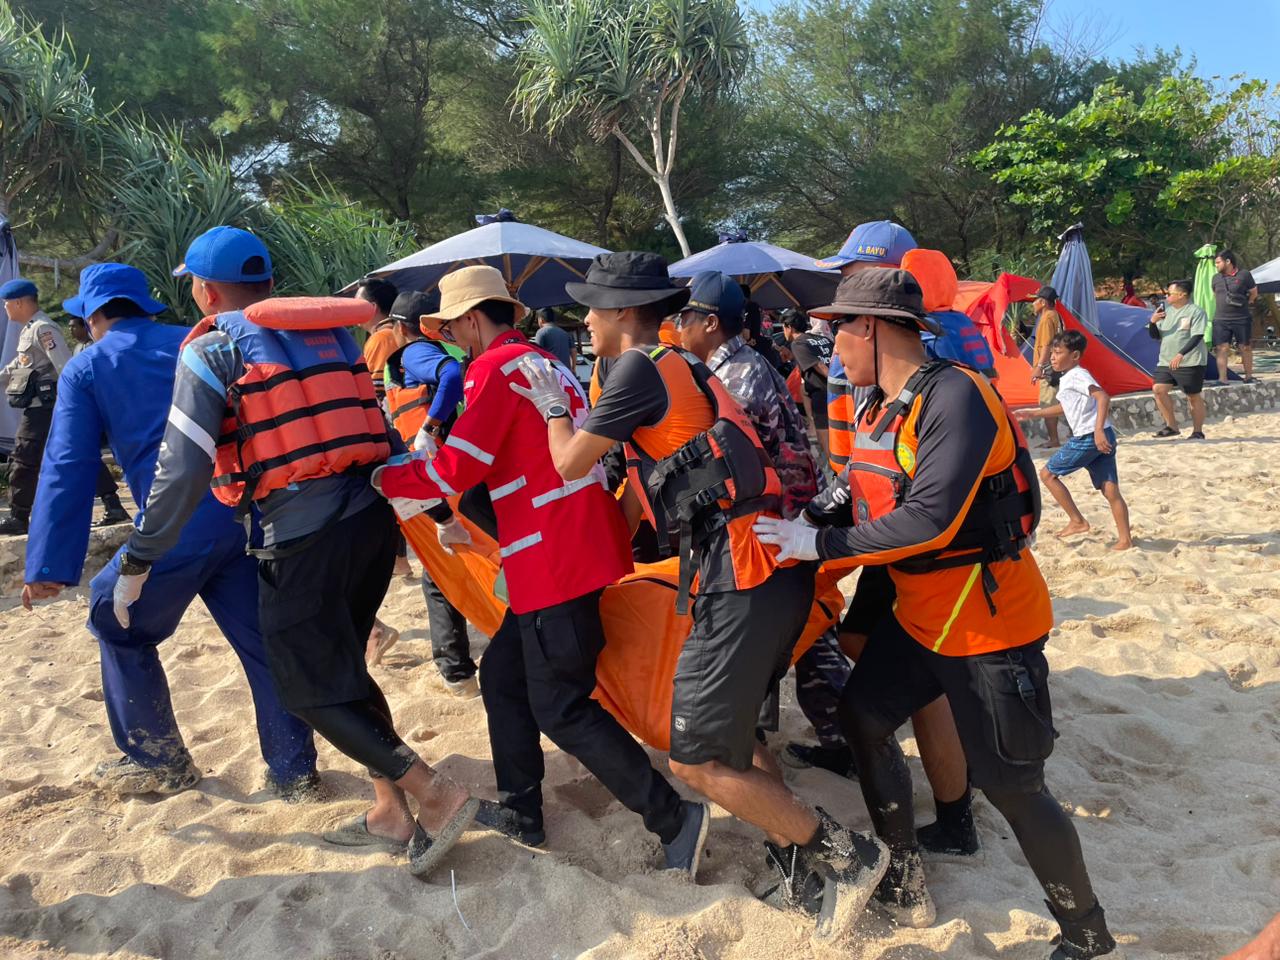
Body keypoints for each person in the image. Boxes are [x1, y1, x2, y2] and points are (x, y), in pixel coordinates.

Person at [517, 251, 888, 941]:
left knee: (696, 759)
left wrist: (549, 409)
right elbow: (638, 492)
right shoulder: (678, 368)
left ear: (626, 312)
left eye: (593, 307)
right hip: (767, 570)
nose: (585, 320)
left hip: (740, 574)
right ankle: (794, 855)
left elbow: (568, 463)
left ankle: (849, 857)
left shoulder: (635, 368)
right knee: (738, 736)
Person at [754, 269, 1117, 957]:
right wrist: (807, 519)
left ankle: (1087, 934)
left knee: (1014, 786)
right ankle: (905, 863)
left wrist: (821, 545)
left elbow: (931, 519)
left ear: (873, 327)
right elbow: (855, 484)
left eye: (839, 331)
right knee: (862, 716)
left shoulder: (957, 396)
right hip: (923, 614)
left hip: (987, 621)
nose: (830, 347)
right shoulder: (876, 404)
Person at [119, 226, 476, 877]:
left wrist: (140, 557)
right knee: (344, 667)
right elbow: (380, 433)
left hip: (302, 537)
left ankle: (438, 795)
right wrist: (435, 509)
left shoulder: (213, 351)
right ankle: (391, 813)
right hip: (371, 524)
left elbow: (180, 471)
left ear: (204, 290)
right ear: (270, 285)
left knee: (304, 686)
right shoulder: (334, 335)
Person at [372, 264, 706, 871]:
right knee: (502, 678)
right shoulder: (544, 363)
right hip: (571, 548)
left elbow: (455, 471)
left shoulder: (493, 369)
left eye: (451, 326)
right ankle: (523, 808)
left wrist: (381, 475)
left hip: (553, 559)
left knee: (561, 704)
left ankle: (673, 817)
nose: (449, 337)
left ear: (472, 320)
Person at [20, 262, 318, 798]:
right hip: (248, 516)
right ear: (147, 305)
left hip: (170, 530)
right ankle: (294, 772)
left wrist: (48, 567)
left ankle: (157, 758)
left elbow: (67, 466)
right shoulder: (200, 339)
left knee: (112, 619)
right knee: (264, 645)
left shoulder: (87, 368)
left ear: (92, 317)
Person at [814, 220, 976, 849]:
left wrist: (836, 531)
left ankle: (955, 812)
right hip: (891, 517)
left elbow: (880, 451)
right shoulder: (942, 333)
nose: (843, 281)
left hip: (919, 533)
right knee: (859, 638)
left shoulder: (916, 352)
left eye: (852, 270)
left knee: (913, 676)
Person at [674, 271, 854, 777]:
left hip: (782, 519)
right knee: (808, 629)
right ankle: (843, 736)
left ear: (710, 323)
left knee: (807, 631)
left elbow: (742, 457)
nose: (677, 325)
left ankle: (847, 738)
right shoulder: (739, 365)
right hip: (789, 514)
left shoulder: (738, 375)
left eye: (684, 316)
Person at [380, 289, 477, 694]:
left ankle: (457, 673)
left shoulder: (414, 352)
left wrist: (430, 426)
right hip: (467, 467)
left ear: (402, 328)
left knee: (438, 575)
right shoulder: (458, 351)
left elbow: (450, 380)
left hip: (439, 474)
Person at [1017, 330, 1132, 551]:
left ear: (1075, 355)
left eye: (1058, 353)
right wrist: (1034, 413)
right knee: (1110, 490)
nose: (1052, 357)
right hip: (1102, 435)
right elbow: (1067, 407)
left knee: (1047, 474)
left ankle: (1078, 521)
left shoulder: (1078, 375)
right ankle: (1125, 540)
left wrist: (1097, 430)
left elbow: (1102, 396)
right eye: (1052, 352)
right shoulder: (1069, 377)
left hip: (1090, 437)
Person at [0, 278, 73, 535]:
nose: (5, 308)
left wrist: (71, 405)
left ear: (19, 302)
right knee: (68, 454)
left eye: (7, 303)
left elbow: (65, 367)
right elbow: (18, 366)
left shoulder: (43, 329)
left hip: (44, 407)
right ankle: (112, 504)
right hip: (40, 407)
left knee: (24, 456)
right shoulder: (29, 329)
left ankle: (18, 517)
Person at [66, 308, 132, 526]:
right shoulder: (77, 349)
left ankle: (114, 505)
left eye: (74, 326)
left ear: (87, 325)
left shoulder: (98, 348)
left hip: (104, 411)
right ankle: (112, 505)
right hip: (90, 411)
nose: (71, 330)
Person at [1148, 280, 1207, 440]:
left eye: (1169, 293)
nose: (1166, 296)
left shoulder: (1196, 311)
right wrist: (1152, 322)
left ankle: (1197, 431)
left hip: (1190, 361)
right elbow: (1155, 335)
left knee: (1193, 395)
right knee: (1158, 389)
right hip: (1166, 360)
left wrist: (1181, 354)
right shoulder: (1165, 312)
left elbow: (1197, 335)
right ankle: (1172, 426)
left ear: (1182, 295)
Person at [781, 309, 834, 461]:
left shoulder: (798, 343)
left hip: (823, 393)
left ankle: (837, 471)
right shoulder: (819, 339)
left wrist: (836, 384)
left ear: (789, 327)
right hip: (837, 393)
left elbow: (821, 367)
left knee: (824, 435)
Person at [1212, 250, 1258, 384]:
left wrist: (1247, 302)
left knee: (1245, 347)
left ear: (1228, 261)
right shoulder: (1215, 278)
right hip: (1221, 319)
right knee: (1221, 348)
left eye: (1218, 262)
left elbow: (1254, 293)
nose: (1216, 265)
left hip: (1241, 318)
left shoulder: (1244, 275)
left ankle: (1249, 376)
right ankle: (1222, 378)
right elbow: (1215, 294)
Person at [1029, 285, 1064, 448]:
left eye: (1035, 300)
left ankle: (1054, 439)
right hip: (1057, 364)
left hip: (1048, 366)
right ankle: (1055, 438)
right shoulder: (1055, 315)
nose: (1033, 304)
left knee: (1047, 403)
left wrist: (1039, 366)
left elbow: (1046, 345)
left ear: (1043, 302)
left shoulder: (1046, 319)